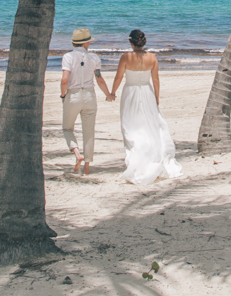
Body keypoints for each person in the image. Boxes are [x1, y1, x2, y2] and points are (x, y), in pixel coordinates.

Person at [109, 29, 182, 185]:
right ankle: (149, 152)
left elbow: (119, 77)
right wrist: (156, 96)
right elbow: (155, 79)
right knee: (150, 125)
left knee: (131, 125)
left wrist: (112, 92)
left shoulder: (126, 57)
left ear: (131, 43)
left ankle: (137, 154)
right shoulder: (152, 57)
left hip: (130, 92)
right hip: (147, 91)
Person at [60, 28, 111, 176]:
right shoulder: (94, 58)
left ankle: (77, 154)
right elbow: (99, 79)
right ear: (86, 42)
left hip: (73, 95)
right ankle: (87, 167)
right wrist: (108, 94)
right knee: (89, 132)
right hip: (89, 95)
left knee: (67, 128)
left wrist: (63, 95)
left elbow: (64, 80)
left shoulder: (68, 57)